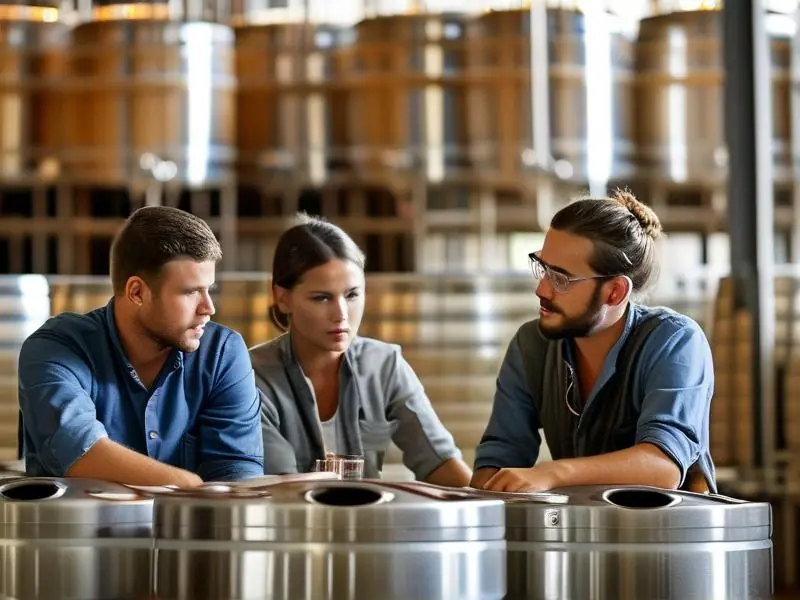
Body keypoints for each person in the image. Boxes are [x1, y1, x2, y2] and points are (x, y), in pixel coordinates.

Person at [471, 189, 716, 494]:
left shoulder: (674, 341)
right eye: (543, 267)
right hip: (577, 535)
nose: (542, 289)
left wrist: (554, 472)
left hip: (667, 536)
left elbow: (663, 466)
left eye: (560, 278)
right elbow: (498, 459)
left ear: (615, 292)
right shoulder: (530, 345)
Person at [18, 206, 264, 486]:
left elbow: (237, 475)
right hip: (79, 529)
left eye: (210, 289)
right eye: (191, 291)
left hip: (192, 530)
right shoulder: (55, 349)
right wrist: (191, 487)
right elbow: (79, 452)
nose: (209, 308)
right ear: (137, 292)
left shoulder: (223, 354)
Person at [250, 214, 472, 487]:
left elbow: (439, 461)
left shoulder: (384, 365)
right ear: (282, 298)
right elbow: (285, 488)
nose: (341, 314)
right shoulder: (251, 377)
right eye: (322, 297)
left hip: (366, 524)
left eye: (352, 295)